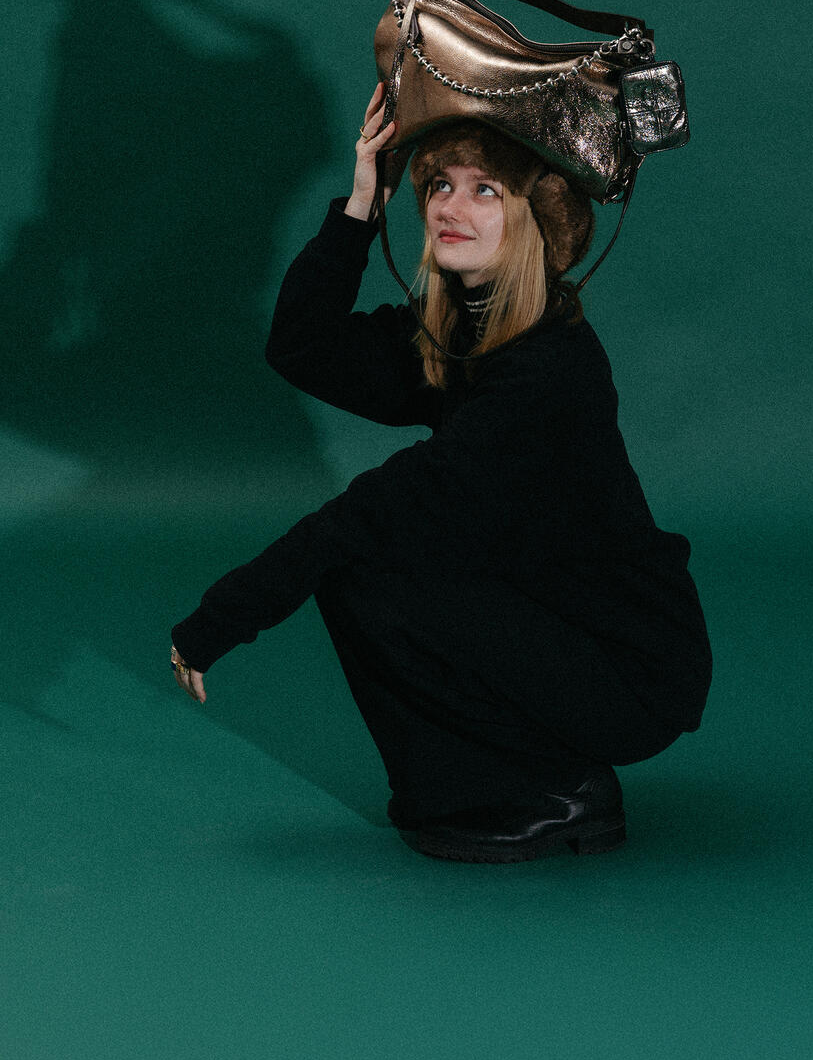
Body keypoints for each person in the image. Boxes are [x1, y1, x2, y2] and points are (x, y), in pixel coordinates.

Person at [170, 81, 711, 863]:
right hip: (549, 617)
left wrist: (223, 618)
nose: (450, 208)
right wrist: (364, 202)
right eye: (439, 185)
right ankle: (485, 789)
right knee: (363, 578)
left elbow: (379, 510)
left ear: (536, 216)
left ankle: (563, 791)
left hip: (628, 664)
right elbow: (301, 347)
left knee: (366, 560)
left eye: (485, 190)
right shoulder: (460, 332)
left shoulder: (549, 370)